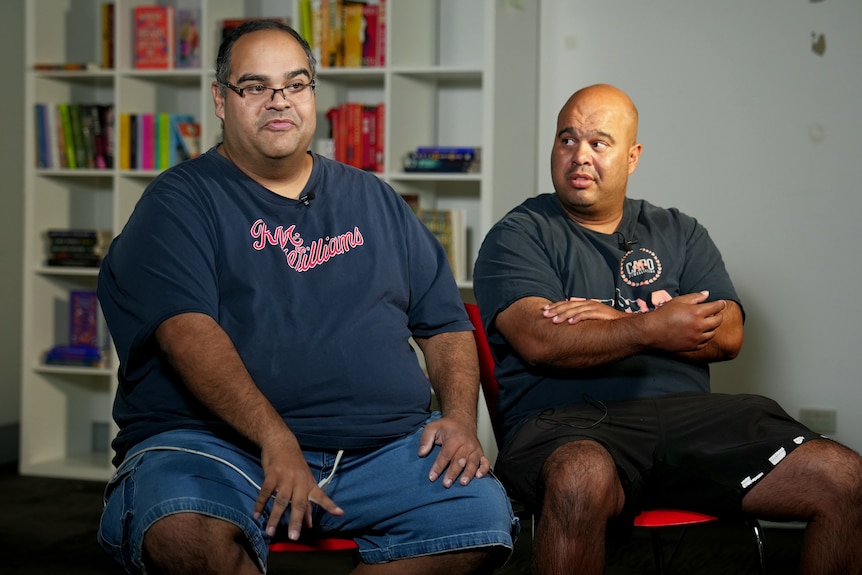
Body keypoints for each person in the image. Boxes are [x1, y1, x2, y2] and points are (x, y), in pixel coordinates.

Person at [96, 20, 516, 575]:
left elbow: (444, 324)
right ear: (221, 100)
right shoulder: (179, 202)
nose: (279, 102)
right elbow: (185, 332)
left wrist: (460, 419)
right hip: (220, 448)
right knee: (181, 530)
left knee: (480, 517)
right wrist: (276, 439)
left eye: (296, 84)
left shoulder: (375, 199)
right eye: (255, 87)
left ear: (313, 94)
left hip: (381, 452)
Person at [472, 83, 862, 575]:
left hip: (691, 423)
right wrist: (657, 327)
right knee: (578, 477)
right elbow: (541, 340)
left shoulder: (680, 231)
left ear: (632, 156)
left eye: (599, 142)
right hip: (569, 424)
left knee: (845, 476)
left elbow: (729, 334)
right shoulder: (519, 234)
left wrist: (620, 322)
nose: (579, 155)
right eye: (566, 139)